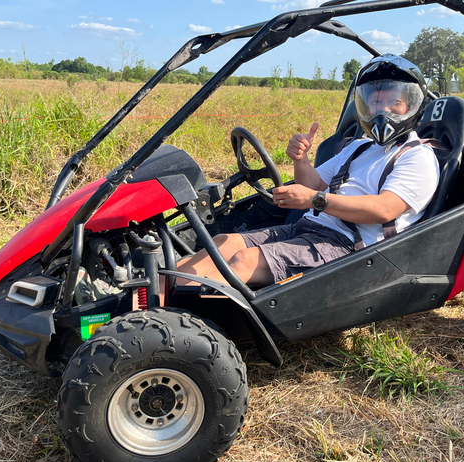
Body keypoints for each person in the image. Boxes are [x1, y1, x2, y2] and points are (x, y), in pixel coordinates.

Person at [178, 54, 440, 287]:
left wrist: (316, 200)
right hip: (309, 228)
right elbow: (313, 185)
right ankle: (155, 292)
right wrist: (301, 159)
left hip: (351, 248)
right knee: (225, 242)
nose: (382, 110)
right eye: (375, 101)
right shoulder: (360, 147)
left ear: (412, 105)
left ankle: (182, 320)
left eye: (394, 102)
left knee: (244, 260)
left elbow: (385, 209)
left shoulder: (418, 156)